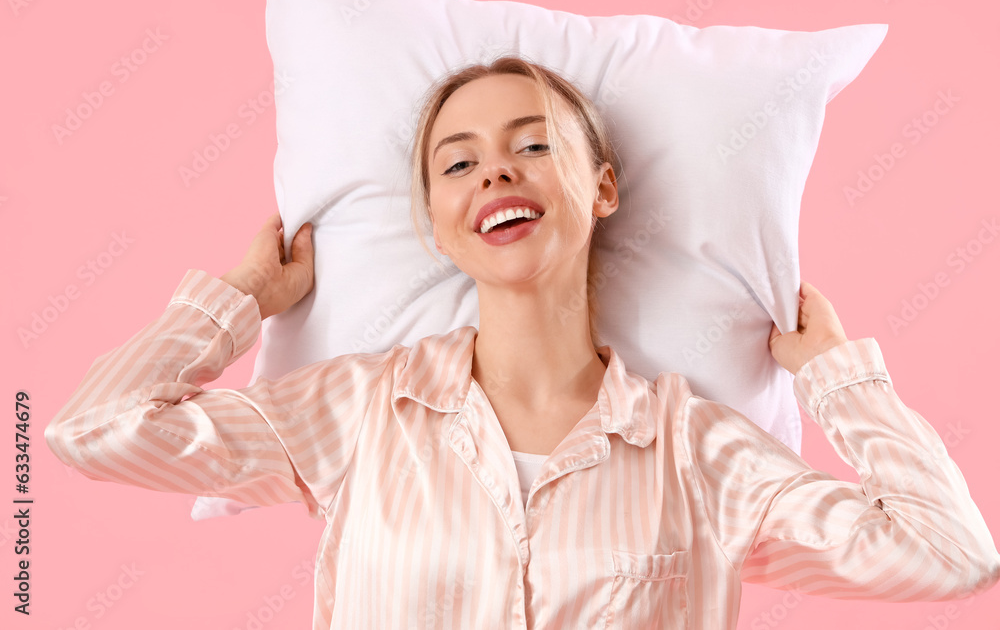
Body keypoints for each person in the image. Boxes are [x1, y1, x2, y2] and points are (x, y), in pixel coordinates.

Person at [45, 56, 1000, 629]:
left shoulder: (700, 453)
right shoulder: (358, 412)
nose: (494, 166)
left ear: (604, 188)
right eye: (457, 161)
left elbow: (950, 554)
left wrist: (837, 380)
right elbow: (94, 428)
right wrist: (244, 299)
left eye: (534, 142)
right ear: (436, 223)